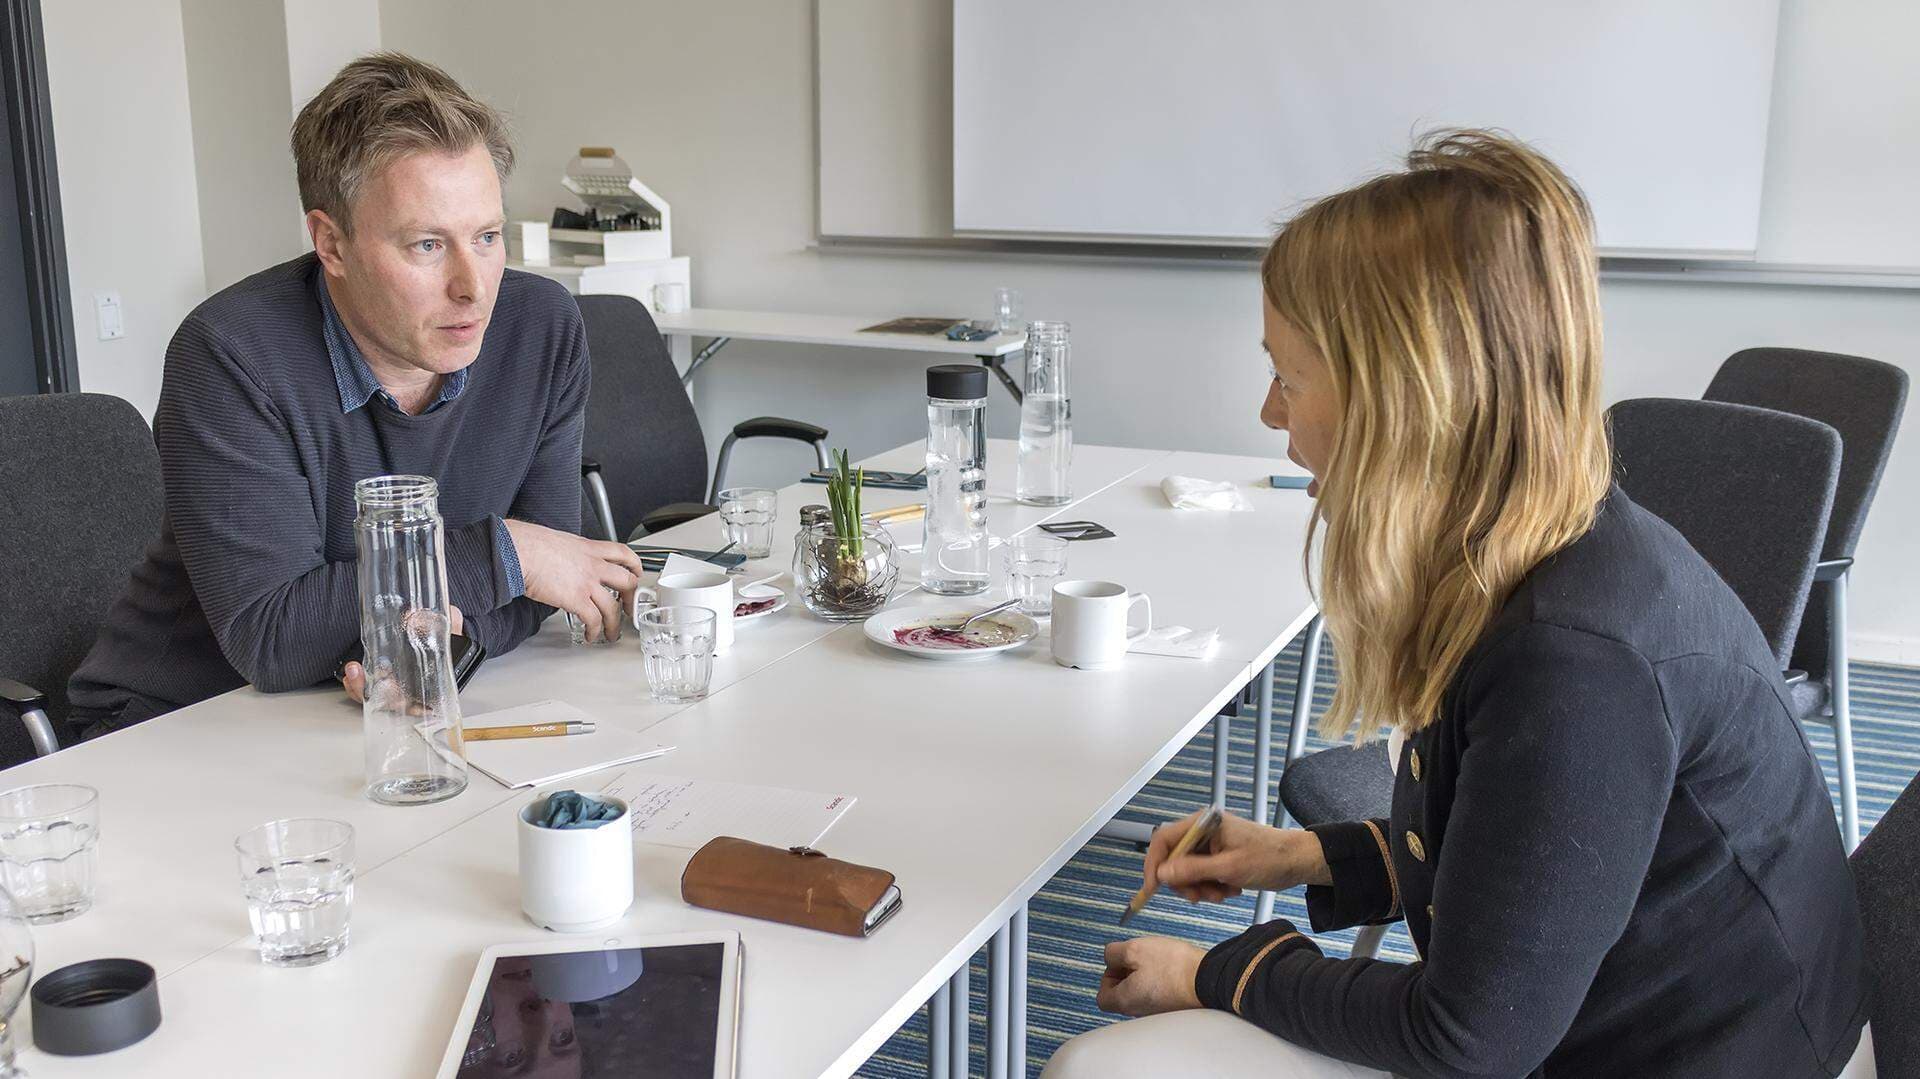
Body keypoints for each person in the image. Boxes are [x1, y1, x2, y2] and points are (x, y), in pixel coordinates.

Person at [1044, 132, 1868, 1077]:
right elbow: (1519, 857)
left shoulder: (1572, 661)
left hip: (1709, 1060)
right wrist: (1298, 856)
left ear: (1405, 401)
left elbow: (1469, 1038)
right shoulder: (1545, 549)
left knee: (1097, 1068)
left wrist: (1215, 972)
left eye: (1288, 376)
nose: (1272, 412)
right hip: (1639, 1021)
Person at [66, 53, 645, 737]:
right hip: (178, 723)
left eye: (487, 237)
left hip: (370, 711)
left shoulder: (541, 328)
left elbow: (548, 579)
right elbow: (271, 635)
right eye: (427, 245)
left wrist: (446, 639)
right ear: (331, 243)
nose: (473, 287)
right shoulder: (228, 356)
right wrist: (507, 556)